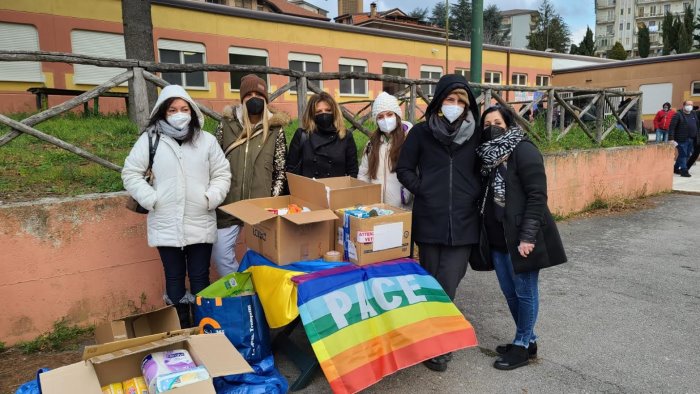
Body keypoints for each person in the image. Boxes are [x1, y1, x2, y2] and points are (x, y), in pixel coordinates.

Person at [122, 85, 231, 328]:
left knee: (201, 277)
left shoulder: (207, 141)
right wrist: (151, 199)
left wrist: (209, 198)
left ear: (192, 111)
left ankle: (204, 326)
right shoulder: (150, 139)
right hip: (165, 221)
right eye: (172, 109)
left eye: (184, 108)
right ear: (163, 112)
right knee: (173, 278)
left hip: (199, 219)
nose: (179, 113)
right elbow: (131, 173)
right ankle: (181, 328)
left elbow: (222, 174)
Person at [395, 74, 482, 372]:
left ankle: (440, 341)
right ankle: (435, 342)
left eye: (461, 101)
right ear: (438, 101)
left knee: (448, 283)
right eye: (450, 99)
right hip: (429, 220)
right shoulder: (421, 133)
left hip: (464, 221)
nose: (455, 105)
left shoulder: (477, 133)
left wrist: (474, 192)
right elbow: (403, 168)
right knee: (431, 283)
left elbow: (487, 168)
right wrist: (424, 189)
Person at [475, 105, 567, 371]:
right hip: (497, 237)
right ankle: (529, 338)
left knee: (525, 292)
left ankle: (522, 345)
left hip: (520, 237)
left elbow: (537, 196)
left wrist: (528, 236)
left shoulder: (523, 150)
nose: (492, 126)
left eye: (498, 122)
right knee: (509, 292)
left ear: (509, 123)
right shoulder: (486, 156)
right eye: (487, 123)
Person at [213, 74, 289, 276]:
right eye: (249, 95)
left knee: (256, 255)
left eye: (259, 94)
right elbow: (213, 161)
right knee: (220, 253)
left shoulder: (275, 129)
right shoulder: (226, 125)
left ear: (266, 99)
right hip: (228, 205)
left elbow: (280, 169)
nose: (254, 98)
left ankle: (253, 292)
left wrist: (271, 201)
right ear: (241, 98)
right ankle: (237, 287)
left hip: (260, 208)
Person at [357, 92, 412, 210]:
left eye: (389, 114)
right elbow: (363, 174)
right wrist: (367, 198)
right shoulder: (371, 144)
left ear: (397, 115)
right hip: (376, 209)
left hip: (402, 208)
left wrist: (406, 194)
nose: (385, 119)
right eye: (380, 117)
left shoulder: (409, 140)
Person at [286, 91, 358, 178]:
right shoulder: (302, 135)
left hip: (336, 189)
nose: (324, 114)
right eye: (318, 112)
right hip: (308, 190)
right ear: (312, 114)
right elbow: (291, 170)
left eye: (328, 110)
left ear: (334, 112)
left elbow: (352, 171)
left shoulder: (346, 136)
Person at [669, 100, 699, 177]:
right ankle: (684, 170)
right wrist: (671, 138)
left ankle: (675, 168)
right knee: (683, 154)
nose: (690, 106)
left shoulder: (693, 114)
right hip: (681, 139)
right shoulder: (678, 114)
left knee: (686, 154)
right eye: (688, 104)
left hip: (691, 139)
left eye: (691, 105)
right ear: (684, 105)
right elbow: (672, 127)